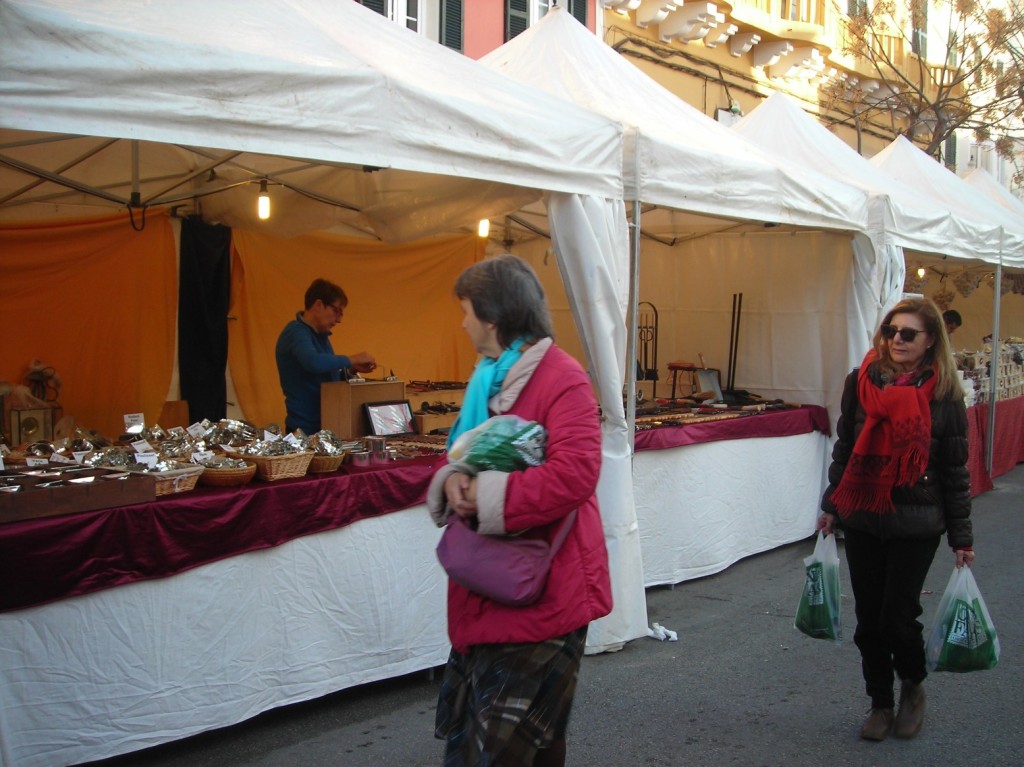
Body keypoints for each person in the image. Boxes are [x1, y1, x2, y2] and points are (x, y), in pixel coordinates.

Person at [426, 254, 612, 767]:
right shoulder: (488, 378)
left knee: (507, 748)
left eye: (466, 311)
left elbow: (575, 474)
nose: (462, 323)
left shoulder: (562, 378)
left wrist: (483, 496)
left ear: (493, 317)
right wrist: (454, 480)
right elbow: (463, 453)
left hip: (542, 590)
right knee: (531, 744)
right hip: (492, 584)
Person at [817, 297, 973, 743]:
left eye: (908, 334)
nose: (897, 340)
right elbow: (845, 447)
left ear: (930, 342)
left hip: (918, 520)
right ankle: (880, 704)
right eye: (891, 331)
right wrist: (831, 503)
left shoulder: (944, 393)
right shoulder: (861, 381)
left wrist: (962, 536)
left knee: (898, 618)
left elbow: (955, 470)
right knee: (869, 620)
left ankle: (913, 686)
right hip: (864, 513)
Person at [275, 278, 376, 433]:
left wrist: (350, 369)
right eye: (336, 311)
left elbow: (326, 377)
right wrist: (352, 359)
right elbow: (314, 363)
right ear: (318, 305)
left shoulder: (321, 337)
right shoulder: (296, 332)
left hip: (326, 427)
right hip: (304, 432)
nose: (339, 320)